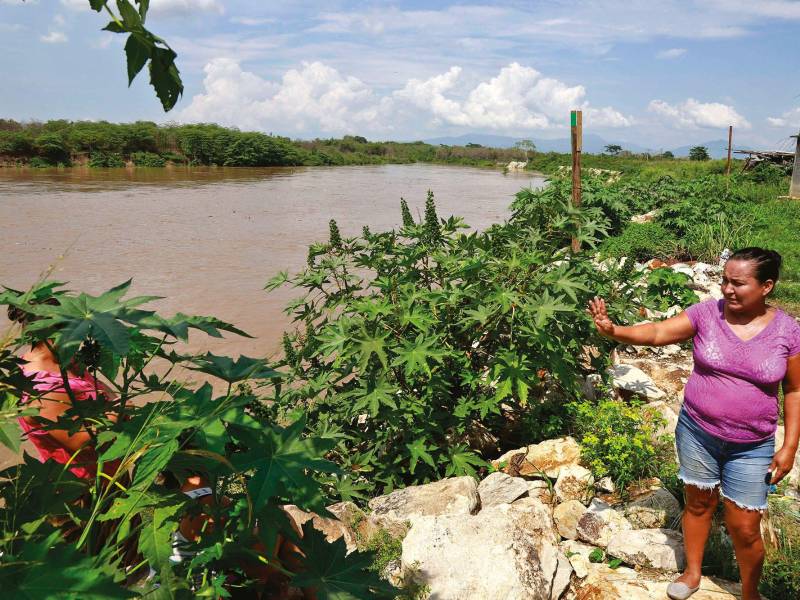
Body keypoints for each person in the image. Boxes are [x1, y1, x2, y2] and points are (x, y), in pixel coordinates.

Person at [588, 247, 800, 600]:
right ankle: (692, 572)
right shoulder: (707, 313)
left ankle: (750, 593)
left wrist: (790, 446)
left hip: (752, 445)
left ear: (766, 286)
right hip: (697, 433)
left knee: (745, 526)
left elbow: (794, 390)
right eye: (725, 281)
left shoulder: (787, 331)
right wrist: (614, 331)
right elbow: (658, 332)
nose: (727, 289)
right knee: (699, 504)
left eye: (738, 283)